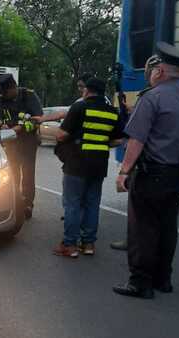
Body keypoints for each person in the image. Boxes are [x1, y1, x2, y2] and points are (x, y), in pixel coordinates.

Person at [113, 42, 179, 299]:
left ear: (159, 71)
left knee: (142, 230)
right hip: (178, 174)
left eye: (151, 70)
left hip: (153, 175)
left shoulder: (153, 97)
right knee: (167, 228)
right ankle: (163, 279)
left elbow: (137, 140)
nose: (148, 75)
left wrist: (124, 172)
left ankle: (140, 283)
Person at [52, 78, 124, 257]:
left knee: (73, 204)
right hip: (99, 164)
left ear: (87, 90)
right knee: (92, 204)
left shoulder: (80, 107)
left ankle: (69, 245)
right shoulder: (112, 111)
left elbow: (62, 135)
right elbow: (118, 139)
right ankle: (89, 244)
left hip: (77, 163)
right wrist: (100, 142)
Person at [0, 74, 44, 219]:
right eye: (3, 93)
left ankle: (28, 204)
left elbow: (38, 119)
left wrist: (19, 128)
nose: (6, 96)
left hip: (28, 140)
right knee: (13, 173)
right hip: (11, 141)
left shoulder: (29, 96)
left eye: (7, 92)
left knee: (28, 173)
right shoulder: (3, 98)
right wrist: (0, 125)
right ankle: (15, 201)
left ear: (14, 87)